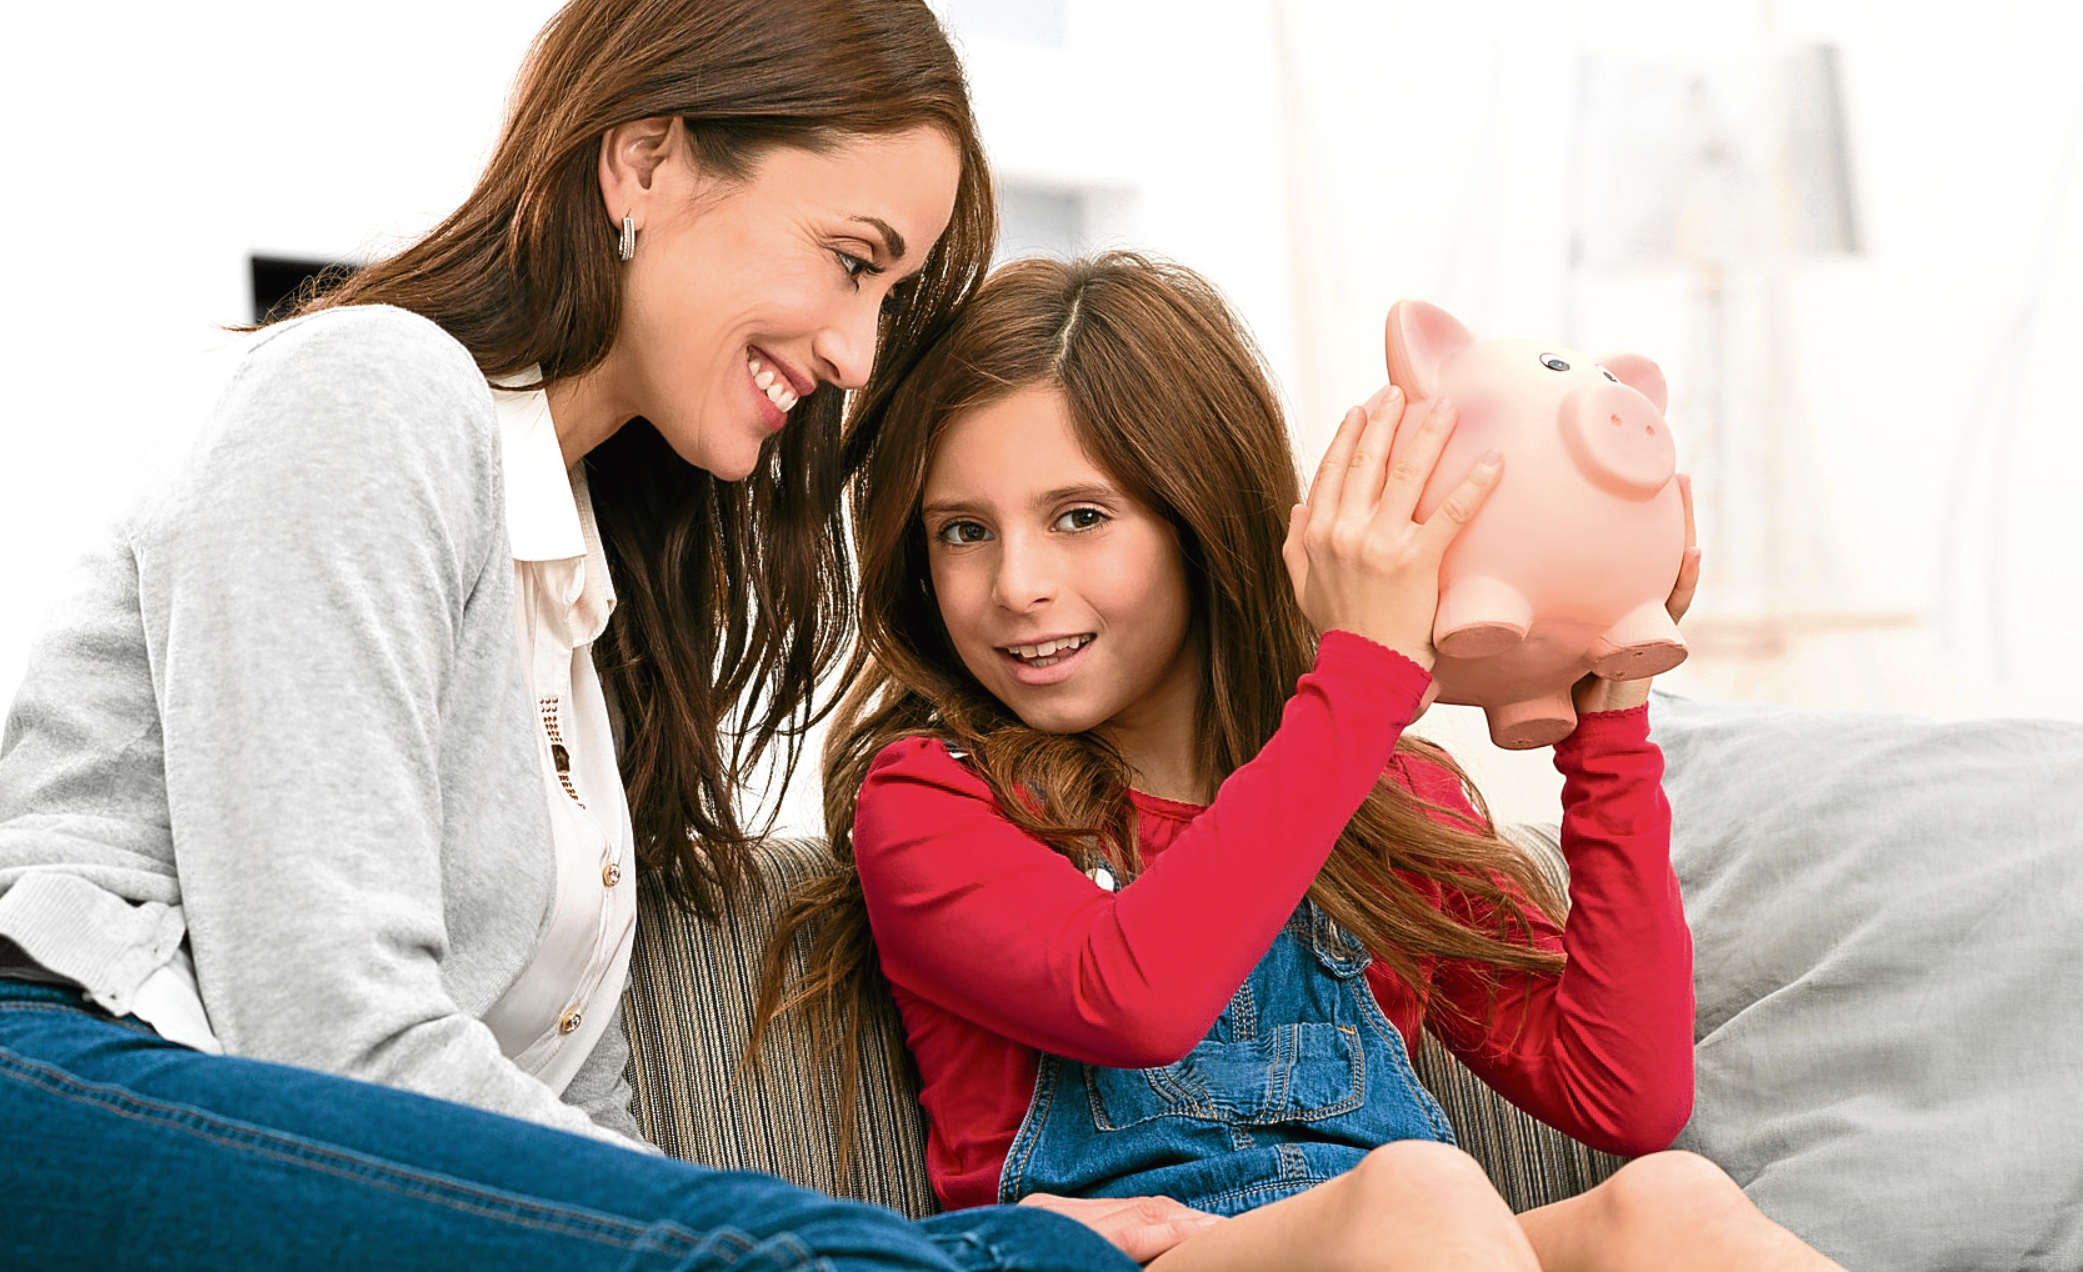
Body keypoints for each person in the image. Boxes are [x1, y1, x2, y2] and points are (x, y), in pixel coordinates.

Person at [0, 0, 1153, 1272]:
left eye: (888, 294)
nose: (854, 351)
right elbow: (325, 1030)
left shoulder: (582, 598)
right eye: (850, 259)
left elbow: (571, 1118)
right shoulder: (369, 391)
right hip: (61, 1072)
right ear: (645, 158)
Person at [758, 253, 1847, 1269]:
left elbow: (1624, 1093)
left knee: (1673, 1206)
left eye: (1080, 516)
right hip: (1138, 1254)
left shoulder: (1380, 795)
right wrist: (1362, 676)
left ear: (1201, 517)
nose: (1017, 585)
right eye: (962, 531)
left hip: (1406, 1239)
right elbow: (1133, 997)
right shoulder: (932, 797)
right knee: (1420, 1191)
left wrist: (1611, 712)